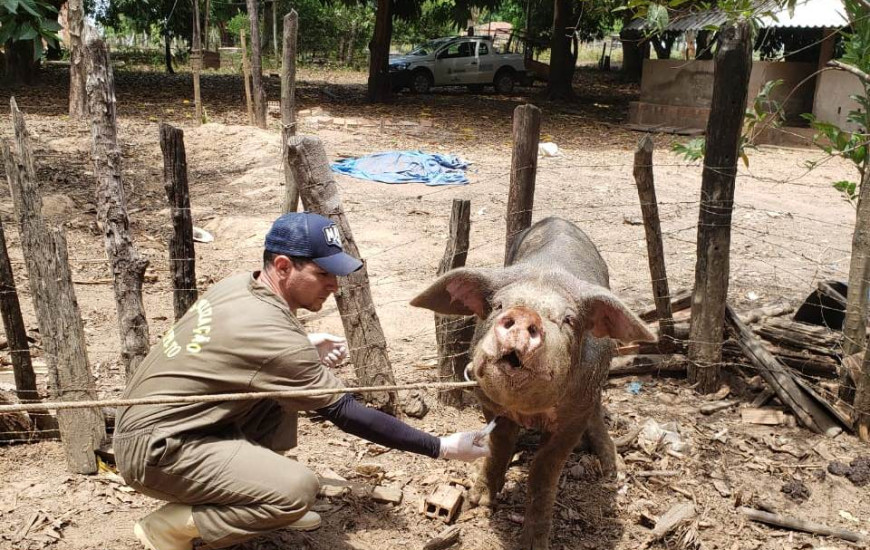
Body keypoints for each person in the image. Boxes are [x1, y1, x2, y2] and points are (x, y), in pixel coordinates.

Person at [115, 212, 491, 550]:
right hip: (157, 452)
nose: (335, 286)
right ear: (283, 266)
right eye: (323, 274)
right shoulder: (273, 337)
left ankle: (252, 493)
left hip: (159, 427)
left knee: (286, 393)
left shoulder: (241, 286)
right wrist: (441, 446)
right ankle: (171, 528)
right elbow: (345, 413)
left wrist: (305, 344)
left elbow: (232, 350)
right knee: (297, 490)